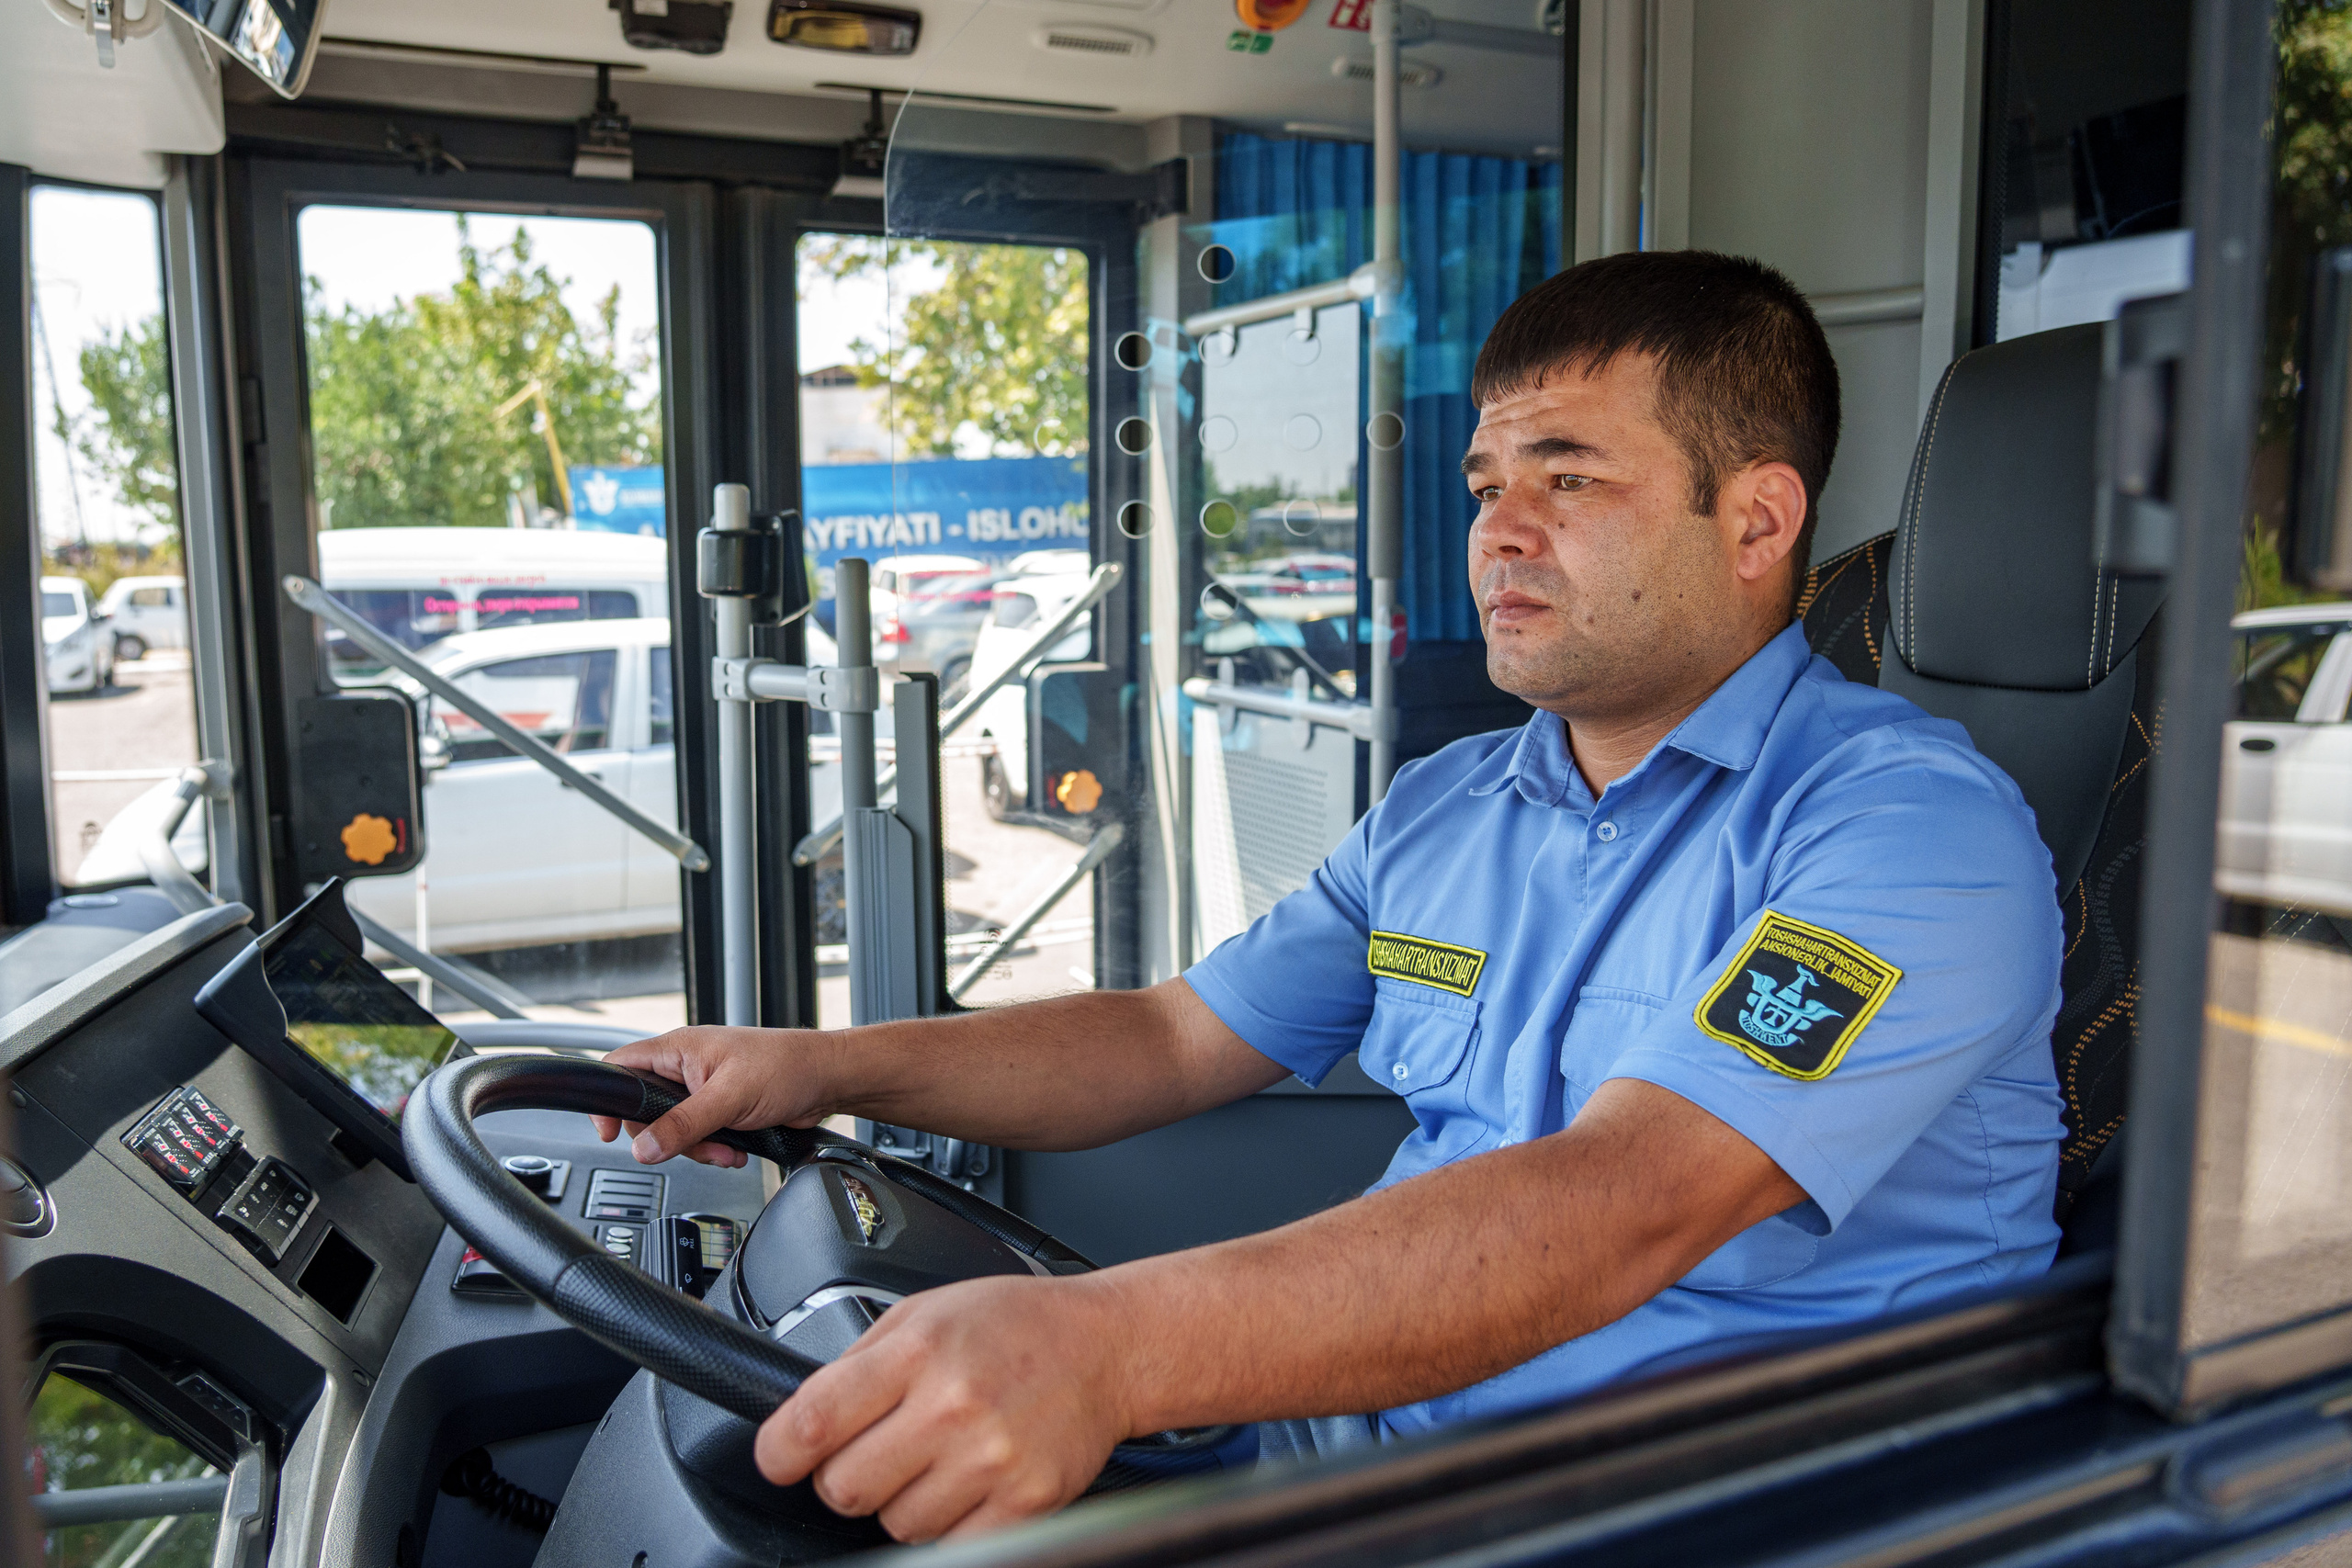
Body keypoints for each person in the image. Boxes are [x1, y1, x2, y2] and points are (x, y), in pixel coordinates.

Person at [594, 249, 2065, 1544]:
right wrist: (814, 1068)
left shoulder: (1903, 837)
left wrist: (1108, 1345)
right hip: (1366, 1448)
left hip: (1693, 1508)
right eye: (1490, 486)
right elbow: (1175, 1039)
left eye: (1572, 479)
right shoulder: (1451, 807)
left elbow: (1624, 1203)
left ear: (1755, 523)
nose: (1499, 531)